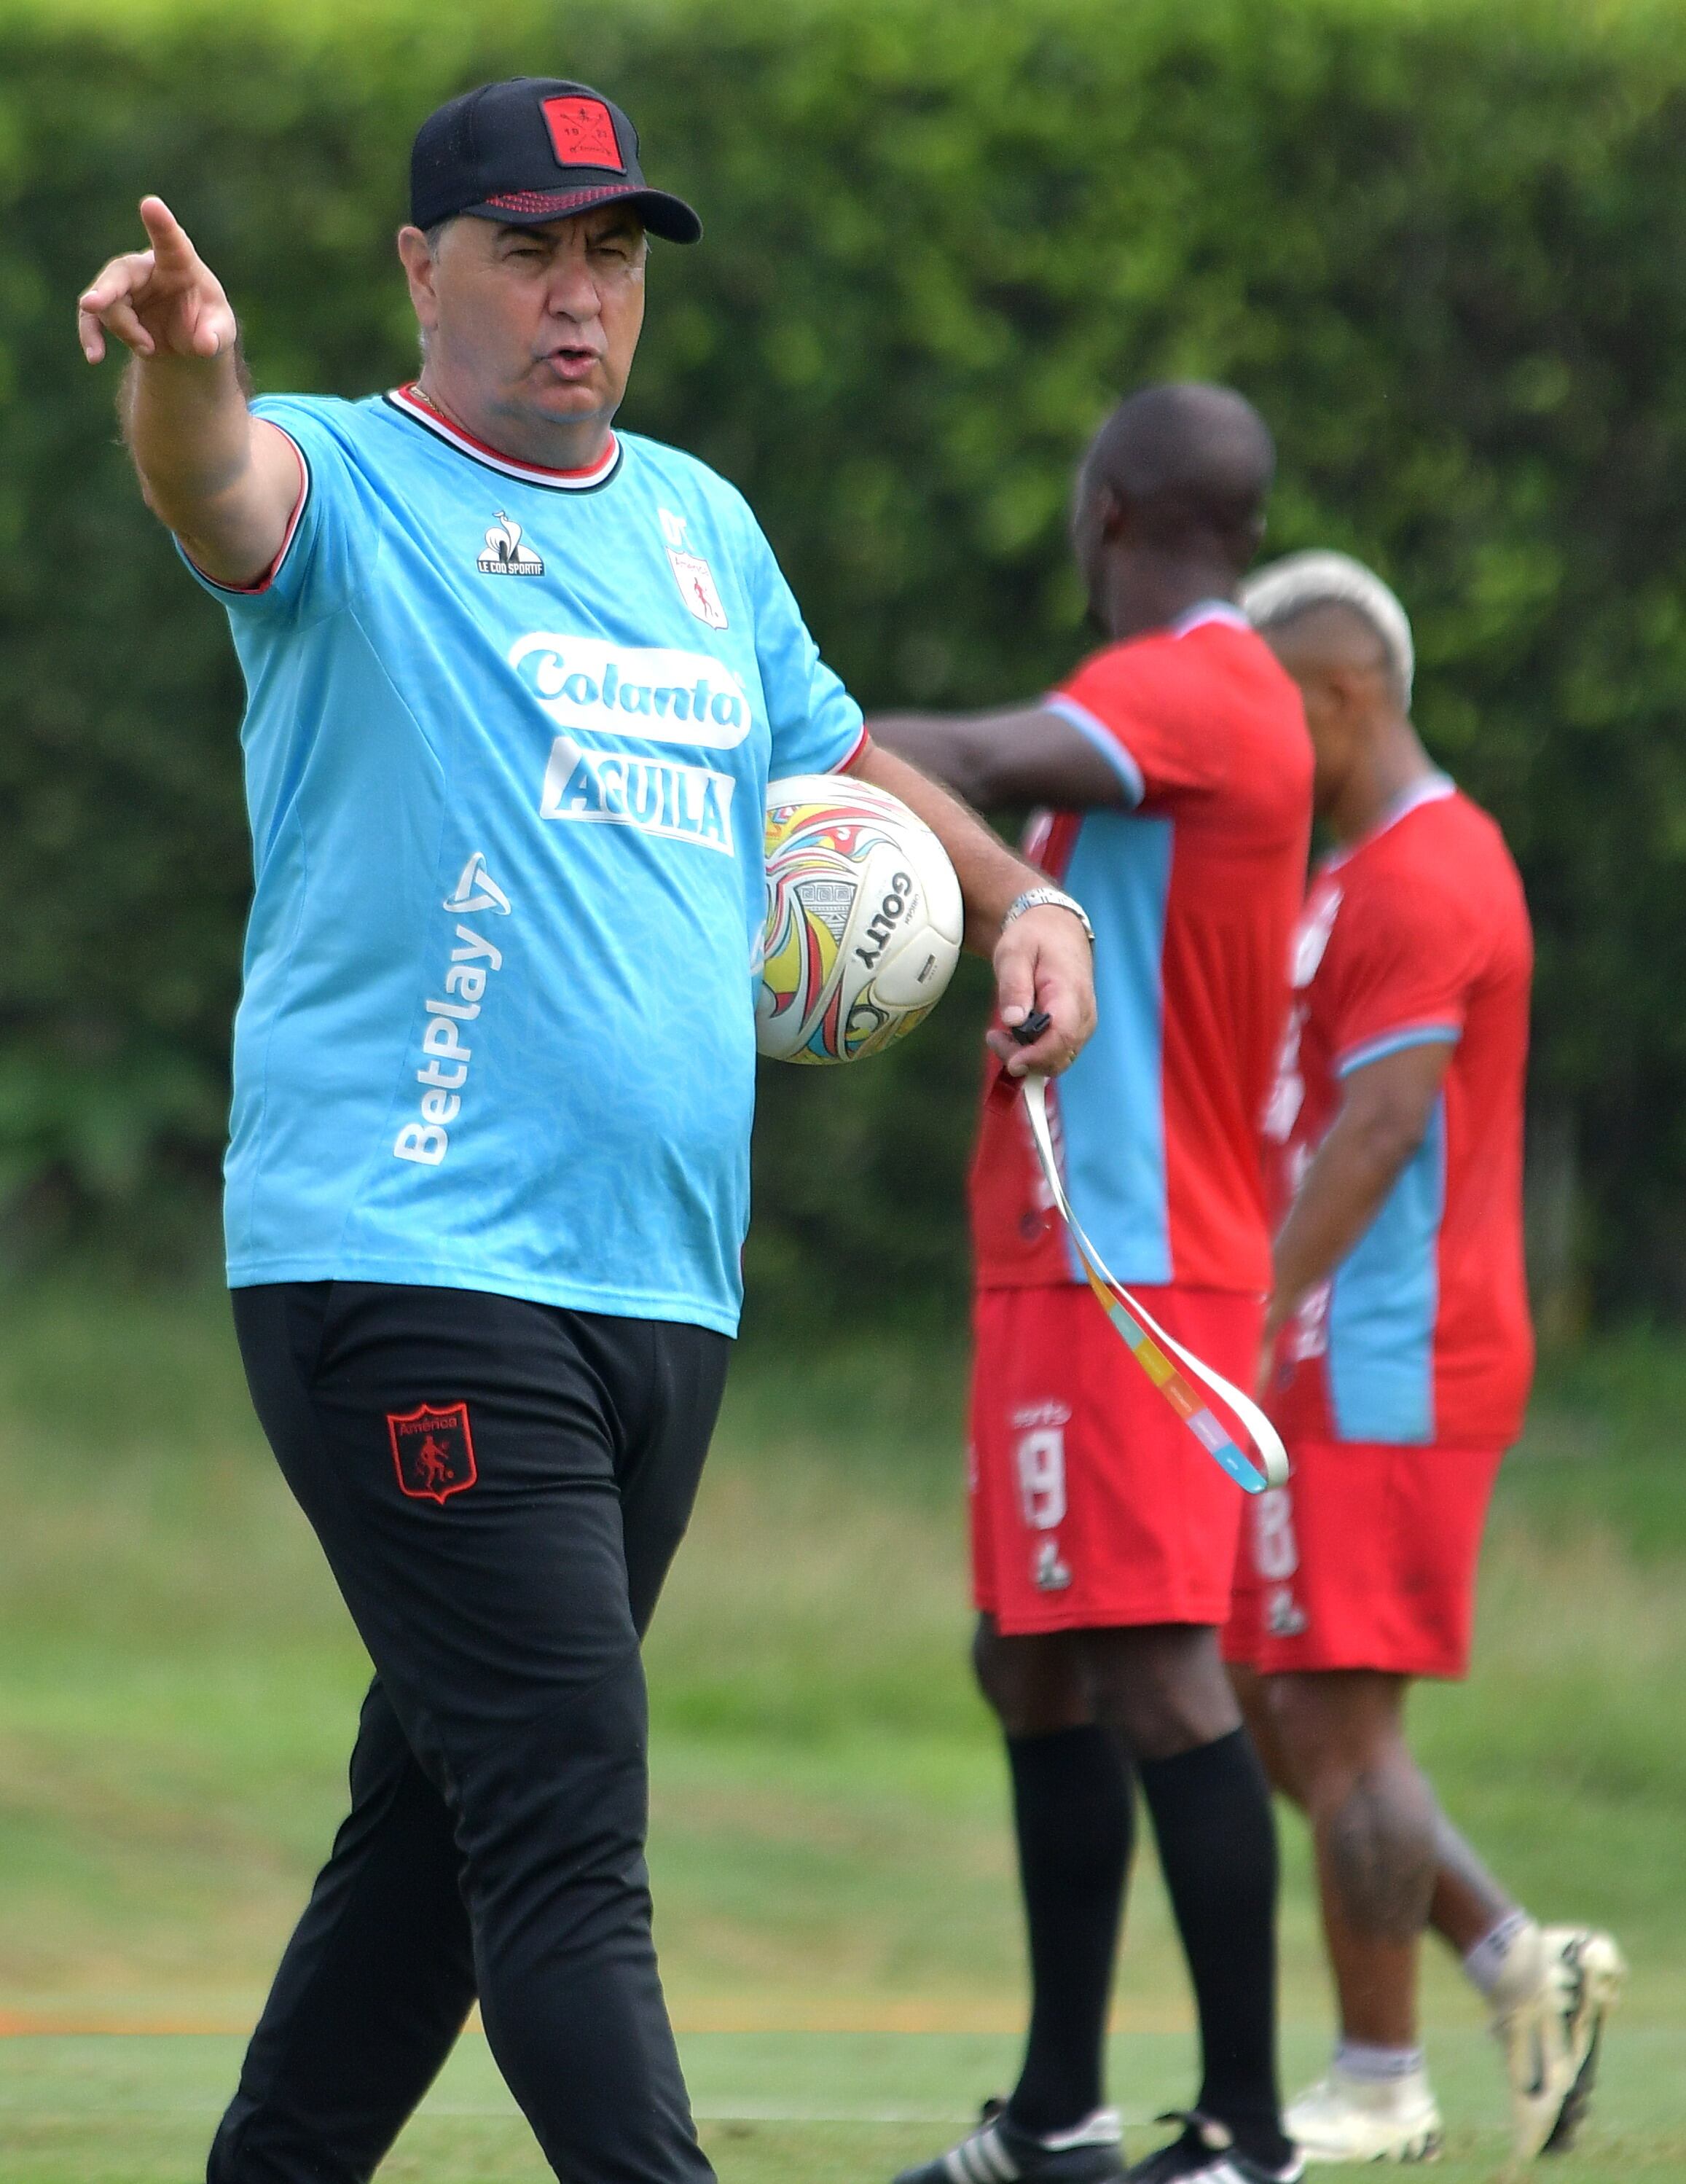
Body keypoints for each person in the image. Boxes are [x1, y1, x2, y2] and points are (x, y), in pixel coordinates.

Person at [76, 76, 1097, 2184]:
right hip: (409, 1261)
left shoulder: (702, 528)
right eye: (529, 249)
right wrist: (189, 367)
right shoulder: (349, 480)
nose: (578, 296)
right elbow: (215, 480)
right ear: (421, 267)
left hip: (655, 1291)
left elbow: (837, 764)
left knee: (433, 1849)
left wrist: (1028, 900)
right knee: (560, 1828)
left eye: (611, 254)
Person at [871, 383, 1313, 2184]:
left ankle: (1247, 2131)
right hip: (1065, 1248)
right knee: (1030, 1654)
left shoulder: (1195, 684)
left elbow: (965, 758)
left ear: (1106, 510)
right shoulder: (1179, 701)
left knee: (1148, 1660)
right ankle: (1058, 2112)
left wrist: (760, 727)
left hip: (1130, 1259)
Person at [1223, 551, 1624, 2165]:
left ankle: (1379, 2078)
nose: (1247, 753)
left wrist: (1251, 1302)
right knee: (1251, 1684)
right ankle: (1516, 1961)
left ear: (1340, 695)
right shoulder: (1344, 873)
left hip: (1391, 1352)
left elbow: (1386, 1123)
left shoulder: (1430, 871)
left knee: (1338, 1719)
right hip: (1323, 1349)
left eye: (1265, 716)